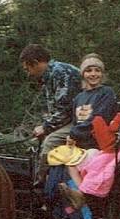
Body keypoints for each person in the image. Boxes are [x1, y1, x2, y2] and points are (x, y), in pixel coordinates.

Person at [39, 53, 116, 219]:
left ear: (102, 73)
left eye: (97, 70)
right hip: (73, 154)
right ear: (82, 74)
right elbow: (72, 123)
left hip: (92, 155)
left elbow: (100, 123)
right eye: (88, 70)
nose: (92, 74)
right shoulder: (78, 99)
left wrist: (76, 137)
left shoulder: (106, 94)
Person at [19, 44, 81, 185]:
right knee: (37, 143)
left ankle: (40, 186)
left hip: (79, 120)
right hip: (69, 119)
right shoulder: (50, 76)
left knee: (49, 143)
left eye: (27, 68)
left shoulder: (61, 73)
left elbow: (65, 110)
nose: (28, 73)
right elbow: (55, 109)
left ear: (35, 63)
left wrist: (46, 128)